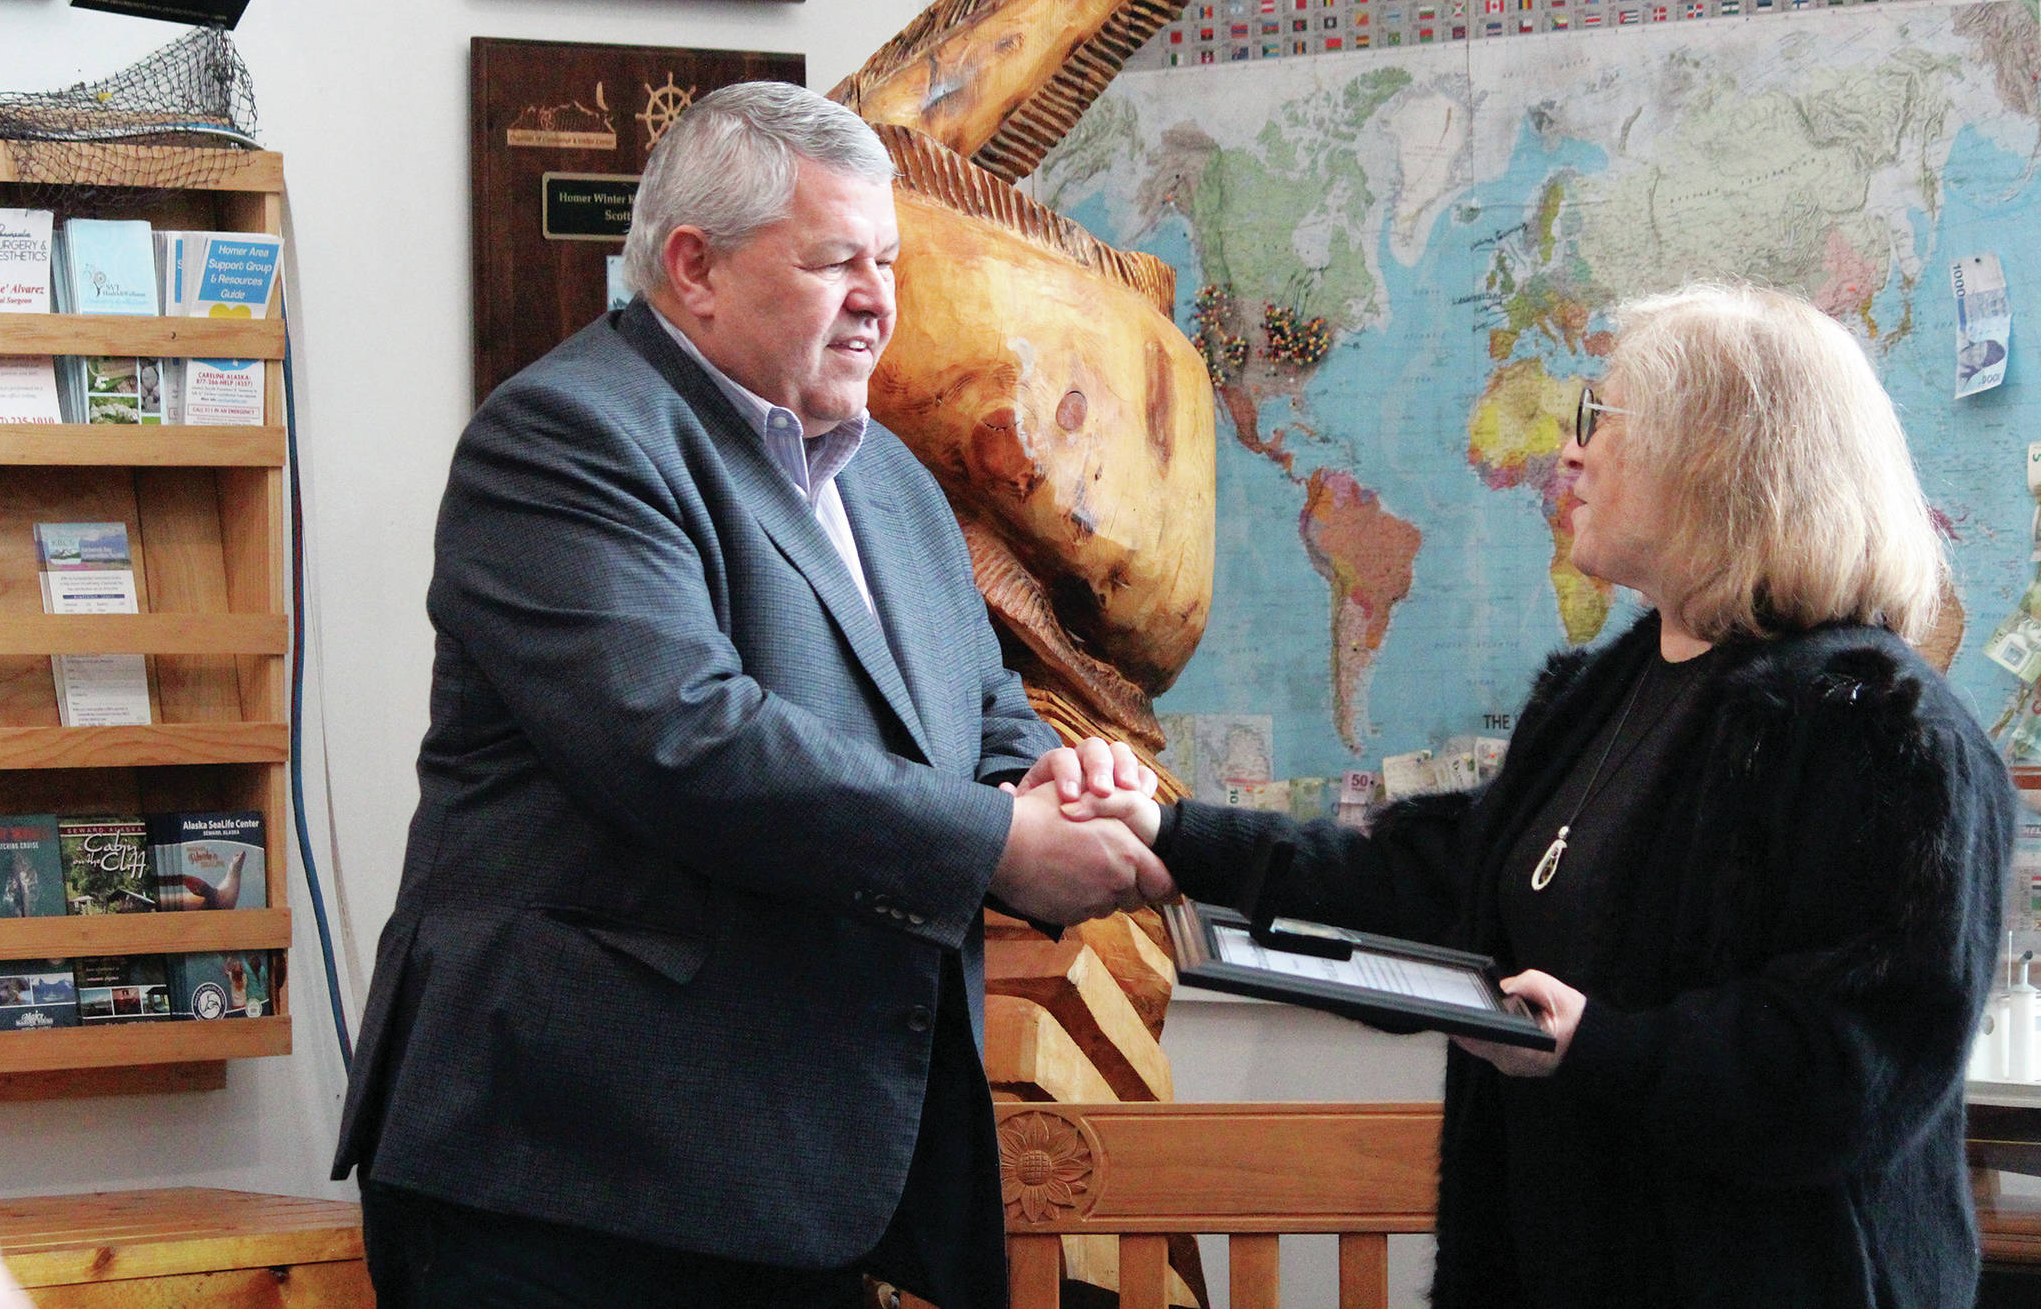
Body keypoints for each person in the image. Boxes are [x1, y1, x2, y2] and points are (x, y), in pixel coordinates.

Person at [332, 81, 1172, 1309]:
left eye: (886, 258)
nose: (881, 297)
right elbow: (687, 740)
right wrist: (1001, 842)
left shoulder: (884, 472)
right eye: (837, 260)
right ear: (695, 268)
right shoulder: (564, 439)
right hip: (571, 1180)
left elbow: (972, 700)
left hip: (797, 1180)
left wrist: (1050, 775)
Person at [1082, 281, 2015, 1308]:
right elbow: (1438, 878)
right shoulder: (1600, 694)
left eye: (1600, 419)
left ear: (1720, 457)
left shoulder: (1879, 727)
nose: (1569, 453)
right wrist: (1170, 834)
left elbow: (1851, 1070)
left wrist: (1603, 1048)